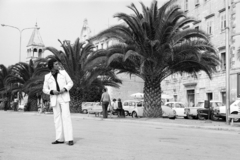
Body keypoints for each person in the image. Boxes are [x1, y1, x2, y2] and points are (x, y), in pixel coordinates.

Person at [42, 59, 74, 146]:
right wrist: (52, 91)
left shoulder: (63, 73)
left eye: (58, 63)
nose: (58, 65)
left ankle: (69, 138)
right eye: (56, 64)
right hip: (54, 98)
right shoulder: (47, 77)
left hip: (64, 97)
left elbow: (71, 83)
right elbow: (44, 89)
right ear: (52, 66)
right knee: (57, 118)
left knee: (66, 117)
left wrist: (65, 89)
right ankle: (59, 139)